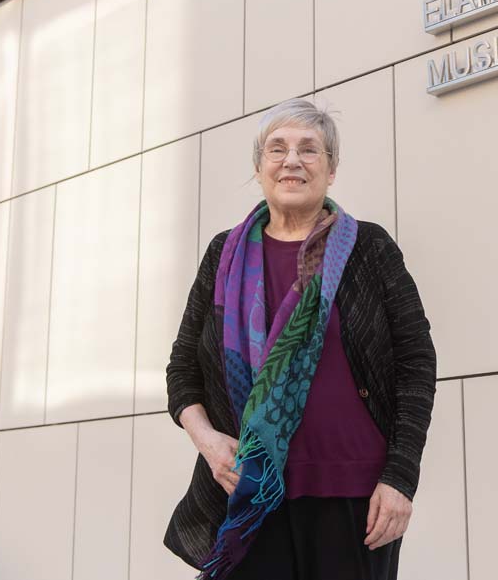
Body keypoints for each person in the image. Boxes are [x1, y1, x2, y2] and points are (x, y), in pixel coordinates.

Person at [164, 98, 437, 580]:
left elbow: (416, 364)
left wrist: (400, 478)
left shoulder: (369, 248)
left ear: (331, 170)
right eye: (278, 149)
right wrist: (207, 442)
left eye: (310, 150)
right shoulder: (222, 256)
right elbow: (182, 370)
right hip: (249, 490)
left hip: (356, 497)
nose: (292, 161)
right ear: (259, 167)